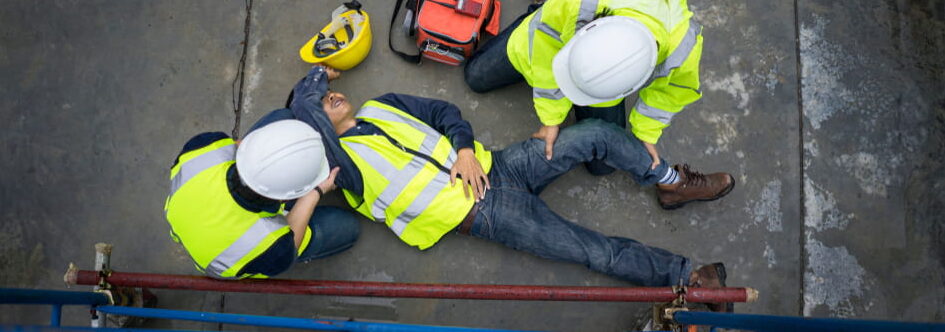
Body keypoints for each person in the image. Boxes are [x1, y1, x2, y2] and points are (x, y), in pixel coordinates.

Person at [264, 65, 734, 311]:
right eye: (321, 104)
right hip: (483, 214)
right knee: (593, 252)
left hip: (500, 165)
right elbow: (312, 118)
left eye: (325, 94)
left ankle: (670, 182)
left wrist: (465, 149)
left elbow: (443, 111)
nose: (330, 98)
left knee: (595, 136)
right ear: (313, 128)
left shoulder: (382, 106)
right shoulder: (341, 170)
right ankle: (687, 276)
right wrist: (314, 80)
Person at [464, 0, 714, 209]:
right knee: (476, 76)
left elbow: (670, 93)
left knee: (602, 166)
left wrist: (646, 133)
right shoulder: (578, 4)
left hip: (604, 90)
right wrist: (551, 119)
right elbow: (543, 49)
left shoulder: (683, 43)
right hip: (544, 35)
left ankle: (672, 183)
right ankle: (538, 11)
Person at [163, 119, 360, 279]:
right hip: (225, 260)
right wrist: (315, 191)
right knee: (348, 227)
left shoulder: (204, 145)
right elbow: (290, 247)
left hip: (187, 217)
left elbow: (239, 147)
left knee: (282, 114)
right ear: (287, 196)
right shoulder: (271, 246)